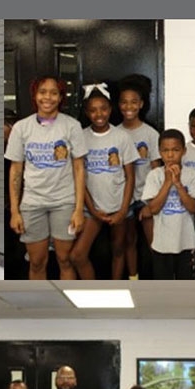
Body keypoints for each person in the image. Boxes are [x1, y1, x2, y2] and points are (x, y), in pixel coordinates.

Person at [5, 76, 88, 280]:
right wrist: (15, 211)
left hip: (64, 202)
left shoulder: (72, 126)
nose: (47, 97)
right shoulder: (21, 128)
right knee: (36, 262)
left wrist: (78, 210)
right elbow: (15, 170)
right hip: (32, 204)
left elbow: (79, 168)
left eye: (54, 92)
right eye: (43, 91)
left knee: (65, 259)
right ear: (35, 95)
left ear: (60, 97)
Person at [70, 83, 135, 279]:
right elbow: (79, 177)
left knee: (118, 250)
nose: (99, 114)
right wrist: (93, 210)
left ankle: (114, 290)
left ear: (110, 109)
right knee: (77, 255)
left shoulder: (121, 137)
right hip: (92, 210)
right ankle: (93, 292)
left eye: (103, 109)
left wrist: (123, 210)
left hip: (119, 207)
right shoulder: (81, 137)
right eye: (93, 110)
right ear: (87, 112)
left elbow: (130, 176)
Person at [142, 128, 195, 279]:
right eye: (165, 150)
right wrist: (167, 182)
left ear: (184, 151)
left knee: (185, 288)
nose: (170, 155)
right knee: (164, 288)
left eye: (175, 150)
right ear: (160, 152)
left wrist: (178, 184)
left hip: (186, 243)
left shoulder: (192, 175)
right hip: (162, 245)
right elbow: (153, 209)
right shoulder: (154, 176)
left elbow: (193, 208)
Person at [116, 74, 160, 280]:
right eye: (124, 102)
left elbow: (156, 170)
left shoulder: (150, 134)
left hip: (145, 198)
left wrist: (150, 202)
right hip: (123, 199)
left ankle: (159, 281)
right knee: (128, 242)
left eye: (134, 102)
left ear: (141, 104)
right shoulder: (114, 133)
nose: (129, 106)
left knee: (153, 242)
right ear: (118, 105)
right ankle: (133, 278)